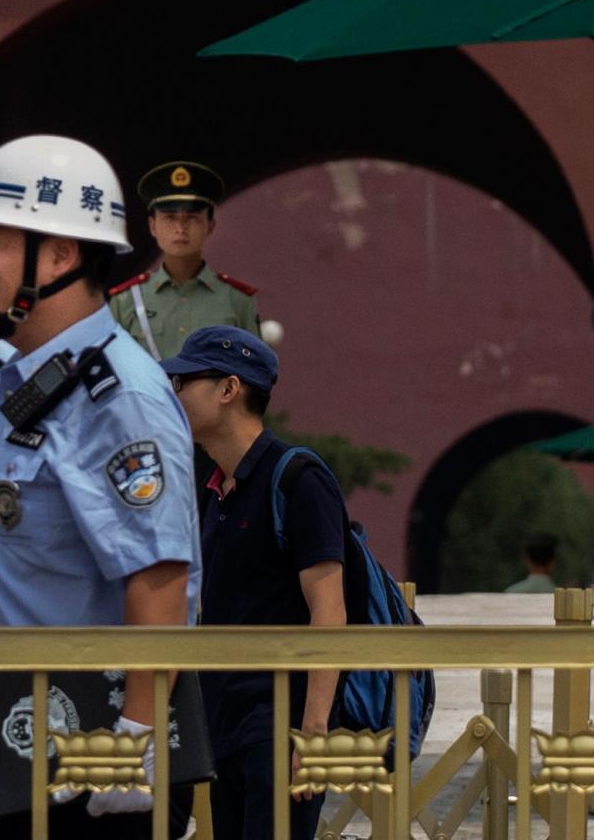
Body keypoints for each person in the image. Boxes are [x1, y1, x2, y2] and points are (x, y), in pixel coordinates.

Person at [0, 134, 202, 840]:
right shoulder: (21, 379)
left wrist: (133, 740)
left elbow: (159, 573)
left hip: (90, 762)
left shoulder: (117, 395)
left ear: (58, 253)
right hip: (7, 746)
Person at [163, 327, 343, 840]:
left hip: (279, 731)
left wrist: (313, 736)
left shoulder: (298, 479)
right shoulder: (215, 490)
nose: (175, 394)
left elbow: (329, 612)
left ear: (228, 390)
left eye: (184, 381)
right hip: (223, 730)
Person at [110, 163, 258, 361]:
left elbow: (254, 377)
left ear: (211, 226)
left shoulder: (237, 301)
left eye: (192, 218)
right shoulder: (126, 300)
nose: (180, 228)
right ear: (152, 226)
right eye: (170, 217)